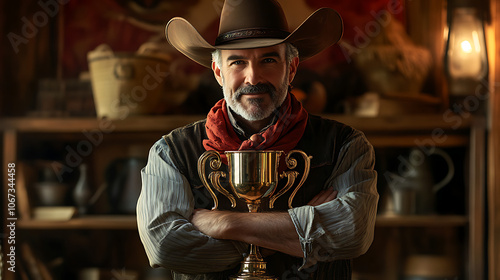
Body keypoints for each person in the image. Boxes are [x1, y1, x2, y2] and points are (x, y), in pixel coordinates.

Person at [137, 0, 379, 279]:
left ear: (291, 68)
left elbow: (353, 234)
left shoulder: (345, 145)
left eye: (268, 60)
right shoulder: (172, 152)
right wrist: (301, 233)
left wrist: (224, 224)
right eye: (238, 61)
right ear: (218, 72)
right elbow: (165, 248)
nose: (253, 77)